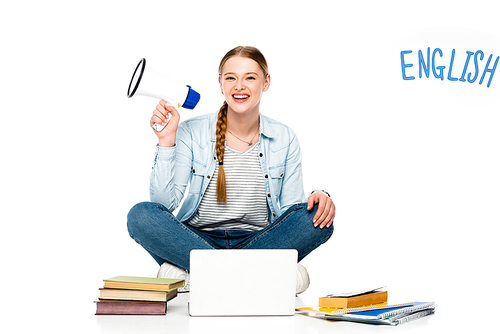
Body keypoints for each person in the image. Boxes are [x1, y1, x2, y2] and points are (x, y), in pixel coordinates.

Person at [127, 46, 335, 294]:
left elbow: (290, 212)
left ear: (265, 82)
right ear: (220, 83)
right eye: (230, 78)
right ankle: (260, 279)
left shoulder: (284, 137)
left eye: (250, 77)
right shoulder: (192, 132)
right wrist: (166, 141)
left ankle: (196, 277)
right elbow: (163, 203)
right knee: (141, 215)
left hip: (260, 242)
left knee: (317, 220)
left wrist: (320, 197)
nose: (239, 86)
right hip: (195, 240)